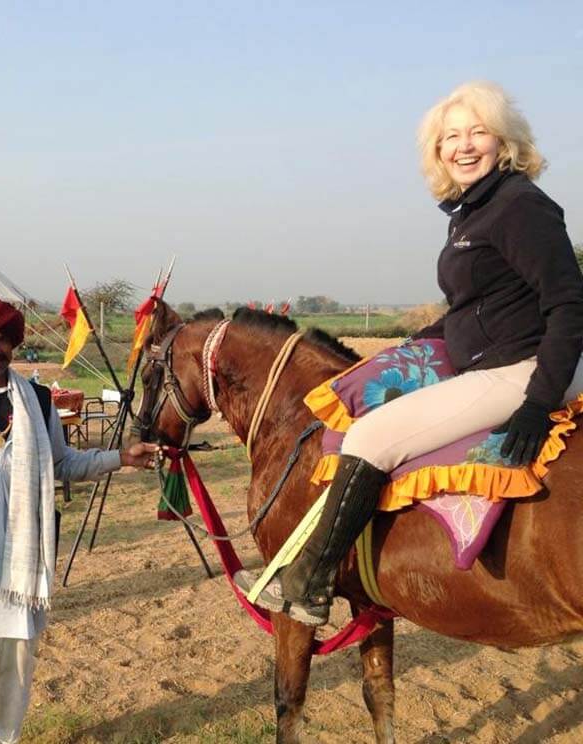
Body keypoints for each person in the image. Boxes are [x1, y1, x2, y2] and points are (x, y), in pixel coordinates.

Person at [238, 81, 583, 626]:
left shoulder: (520, 206)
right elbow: (474, 305)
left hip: (522, 368)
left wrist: (539, 402)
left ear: (504, 142)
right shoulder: (474, 210)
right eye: (451, 137)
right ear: (437, 150)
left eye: (478, 133)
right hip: (500, 359)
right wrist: (414, 344)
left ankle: (311, 583)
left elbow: (568, 304)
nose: (464, 146)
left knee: (370, 437)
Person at [0, 296, 158, 743]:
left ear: (14, 344)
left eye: (2, 340)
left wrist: (120, 458)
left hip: (21, 569)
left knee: (17, 675)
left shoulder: (37, 402)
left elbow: (62, 463)